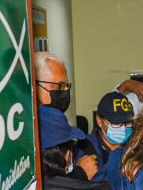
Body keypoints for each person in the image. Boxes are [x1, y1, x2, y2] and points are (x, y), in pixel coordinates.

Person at [35, 52, 98, 180]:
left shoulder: (67, 133)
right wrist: (79, 175)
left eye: (66, 86)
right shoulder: (27, 134)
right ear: (34, 86)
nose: (64, 91)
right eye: (58, 85)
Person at [75, 91, 135, 172]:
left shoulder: (134, 146)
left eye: (127, 122)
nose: (123, 128)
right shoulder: (85, 149)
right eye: (116, 123)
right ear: (99, 121)